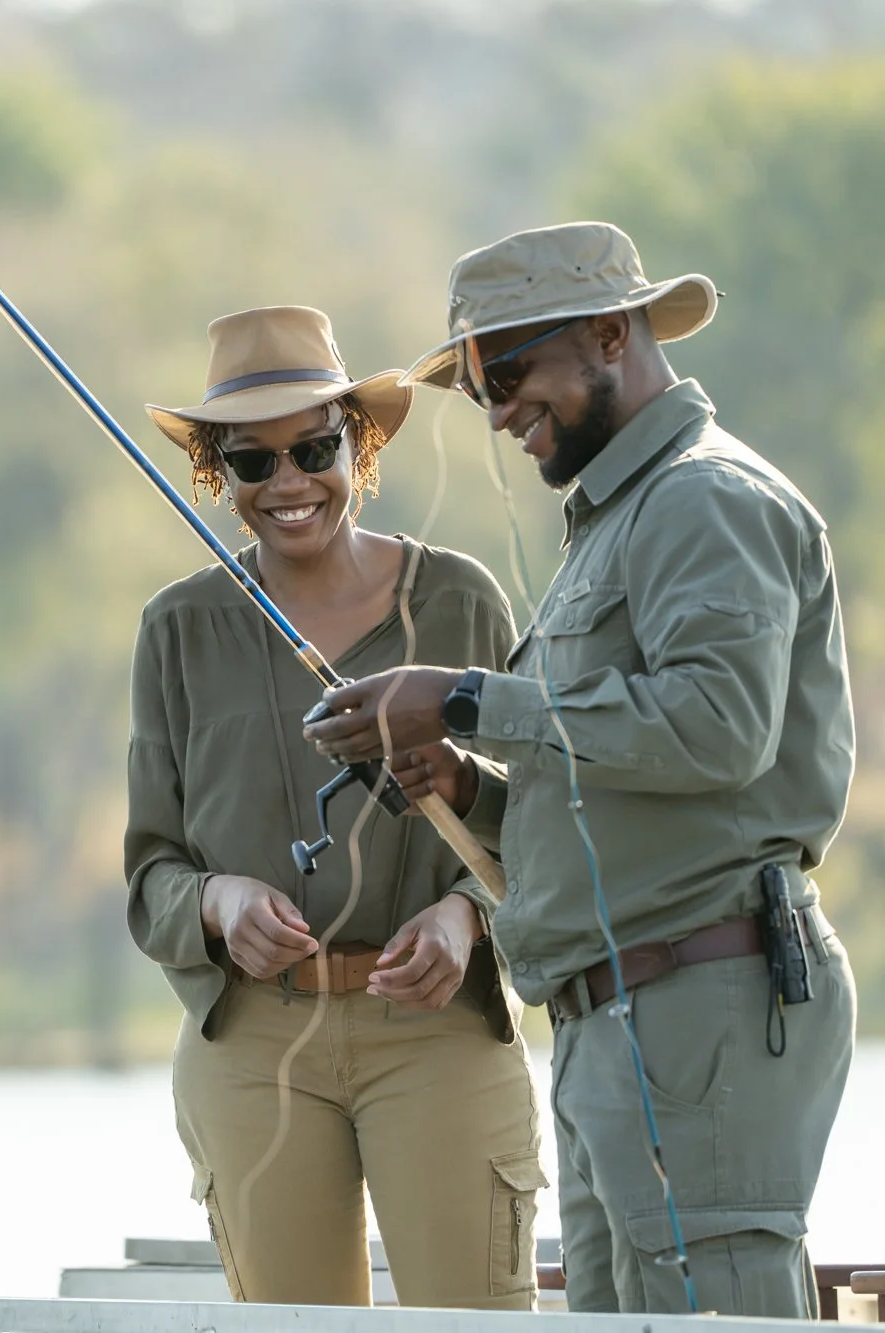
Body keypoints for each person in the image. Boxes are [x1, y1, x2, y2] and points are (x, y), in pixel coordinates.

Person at [303, 222, 859, 1318]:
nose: (497, 410)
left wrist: (464, 697)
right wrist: (467, 787)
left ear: (610, 334)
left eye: (506, 373)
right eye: (475, 388)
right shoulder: (614, 521)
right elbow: (617, 781)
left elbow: (717, 729)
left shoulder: (704, 500)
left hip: (702, 1004)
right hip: (613, 1015)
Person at [125, 305, 543, 1310]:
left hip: (439, 1028)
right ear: (214, 475)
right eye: (250, 463)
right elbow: (151, 876)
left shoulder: (458, 599)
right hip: (253, 1045)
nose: (286, 484)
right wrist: (218, 904)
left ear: (357, 446)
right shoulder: (175, 629)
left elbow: (542, 824)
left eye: (311, 447)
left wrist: (464, 915)